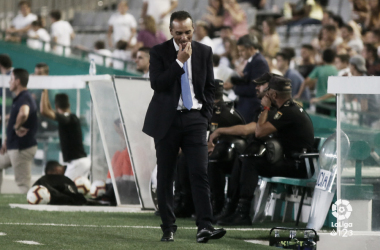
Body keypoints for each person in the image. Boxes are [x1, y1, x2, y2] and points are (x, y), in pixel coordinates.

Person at [142, 11, 226, 243]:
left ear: (193, 30)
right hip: (167, 120)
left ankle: (205, 227)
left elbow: (210, 87)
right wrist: (180, 62)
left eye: (188, 32)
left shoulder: (205, 51)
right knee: (166, 175)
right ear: (171, 31)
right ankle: (168, 226)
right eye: (179, 33)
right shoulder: (158, 52)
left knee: (199, 172)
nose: (184, 37)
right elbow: (157, 83)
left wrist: (205, 117)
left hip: (195, 119)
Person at [217, 75, 314, 226]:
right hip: (292, 161)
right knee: (244, 157)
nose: (266, 94)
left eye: (268, 91)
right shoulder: (289, 108)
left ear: (274, 95)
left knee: (250, 161)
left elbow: (259, 132)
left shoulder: (287, 112)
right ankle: (234, 209)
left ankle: (243, 212)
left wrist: (266, 107)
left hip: (297, 164)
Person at [208, 73, 275, 218]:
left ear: (271, 88)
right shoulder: (261, 109)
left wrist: (219, 131)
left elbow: (248, 130)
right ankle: (218, 205)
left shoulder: (274, 110)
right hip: (259, 154)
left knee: (245, 158)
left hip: (271, 158)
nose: (256, 87)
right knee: (219, 159)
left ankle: (237, 209)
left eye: (261, 84)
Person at [0, 68, 38, 194]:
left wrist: (16, 127)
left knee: (23, 185)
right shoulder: (21, 97)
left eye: (11, 79)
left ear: (17, 81)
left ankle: (27, 209)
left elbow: (23, 113)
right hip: (13, 146)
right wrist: (7, 140)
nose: (9, 82)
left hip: (21, 148)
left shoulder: (24, 97)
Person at [40, 90, 90, 181]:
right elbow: (48, 110)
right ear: (69, 105)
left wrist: (44, 90)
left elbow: (44, 111)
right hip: (80, 162)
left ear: (56, 106)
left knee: (64, 189)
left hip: (77, 163)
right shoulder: (72, 117)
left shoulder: (67, 118)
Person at [229, 35, 270, 123]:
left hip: (251, 106)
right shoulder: (253, 60)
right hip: (246, 104)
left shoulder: (259, 62)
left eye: (242, 51)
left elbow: (255, 89)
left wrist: (234, 87)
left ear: (251, 48)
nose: (240, 54)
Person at [298, 49, 338, 115]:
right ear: (334, 58)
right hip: (334, 101)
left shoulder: (319, 69)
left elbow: (305, 82)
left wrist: (299, 94)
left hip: (320, 102)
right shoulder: (337, 70)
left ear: (322, 58)